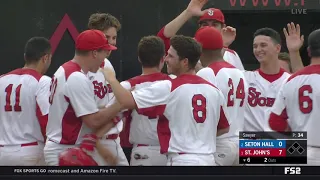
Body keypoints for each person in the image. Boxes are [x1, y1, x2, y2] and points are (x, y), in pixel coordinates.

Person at [101, 35, 230, 166]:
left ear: (184, 62)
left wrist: (111, 79)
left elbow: (125, 101)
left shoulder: (169, 86)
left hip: (182, 160)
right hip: (209, 159)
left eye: (171, 56)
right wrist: (198, 138)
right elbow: (224, 128)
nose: (166, 59)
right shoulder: (214, 90)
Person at [44, 29, 121, 166]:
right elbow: (93, 121)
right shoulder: (76, 76)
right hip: (64, 149)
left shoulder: (66, 69)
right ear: (94, 53)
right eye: (104, 52)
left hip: (67, 147)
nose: (105, 58)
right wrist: (120, 104)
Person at [103, 36, 172, 166]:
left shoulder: (124, 87)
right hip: (171, 152)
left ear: (139, 58)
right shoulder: (173, 82)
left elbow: (107, 117)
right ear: (163, 59)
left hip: (142, 152)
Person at [195, 27, 248, 166]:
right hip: (240, 144)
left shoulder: (206, 72)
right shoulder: (239, 72)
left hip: (219, 143)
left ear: (199, 48)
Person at [268, 29, 320, 165]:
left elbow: (274, 121)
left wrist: (295, 129)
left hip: (299, 152)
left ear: (309, 52)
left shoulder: (292, 80)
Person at [0, 37, 52, 165]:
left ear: (25, 56)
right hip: (30, 152)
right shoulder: (42, 81)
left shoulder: (2, 80)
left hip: (2, 152)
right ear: (45, 58)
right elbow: (47, 121)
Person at [244, 23, 304, 132]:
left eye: (263, 45)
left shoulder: (289, 80)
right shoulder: (245, 78)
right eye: (255, 46)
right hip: (252, 145)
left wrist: (294, 52)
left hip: (282, 144)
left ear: (277, 48)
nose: (258, 49)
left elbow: (304, 81)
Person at [87, 12, 129, 166]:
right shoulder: (83, 70)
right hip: (96, 143)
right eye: (106, 37)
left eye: (114, 38)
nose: (111, 43)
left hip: (113, 140)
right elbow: (86, 116)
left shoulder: (107, 65)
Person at [157, 0, 245, 71]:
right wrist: (188, 13)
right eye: (205, 24)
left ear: (223, 28)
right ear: (199, 28)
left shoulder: (232, 55)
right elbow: (162, 39)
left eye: (214, 24)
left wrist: (223, 46)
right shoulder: (189, 49)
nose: (209, 28)